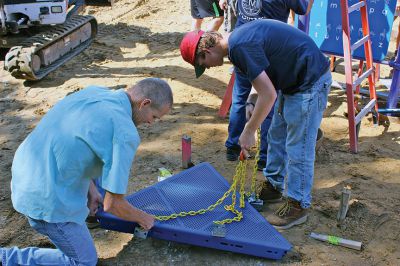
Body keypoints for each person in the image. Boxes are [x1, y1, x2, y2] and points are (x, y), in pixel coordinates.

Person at [0, 78, 173, 265]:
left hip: (25, 172)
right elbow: (113, 205)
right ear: (144, 103)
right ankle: (6, 258)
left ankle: (87, 213)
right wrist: (143, 217)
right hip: (44, 199)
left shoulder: (94, 92)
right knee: (84, 261)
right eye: (154, 117)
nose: (151, 123)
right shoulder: (125, 133)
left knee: (100, 153)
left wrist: (92, 190)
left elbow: (72, 146)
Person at [180, 19, 331, 229]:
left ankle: (298, 204)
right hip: (291, 81)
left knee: (299, 146)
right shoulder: (235, 45)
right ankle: (274, 185)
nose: (207, 67)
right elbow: (260, 79)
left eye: (203, 64)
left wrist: (249, 130)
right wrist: (251, 101)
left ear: (206, 50)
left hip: (309, 80)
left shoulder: (239, 46)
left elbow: (268, 94)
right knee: (276, 135)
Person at [219, 0, 314, 171]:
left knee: (240, 97)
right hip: (267, 49)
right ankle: (265, 155)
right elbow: (304, 9)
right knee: (269, 101)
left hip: (241, 41)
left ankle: (233, 146)